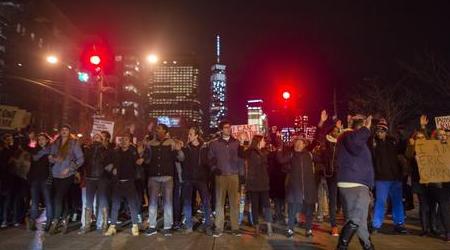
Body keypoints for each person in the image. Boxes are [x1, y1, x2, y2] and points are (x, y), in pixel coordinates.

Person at [336, 115, 374, 250]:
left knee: (360, 221)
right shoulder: (349, 136)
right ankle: (342, 246)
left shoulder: (349, 138)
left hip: (355, 182)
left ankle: (368, 246)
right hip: (355, 183)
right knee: (356, 218)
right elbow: (355, 144)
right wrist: (366, 128)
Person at [144, 124, 184, 237]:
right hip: (153, 177)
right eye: (156, 129)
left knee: (168, 202)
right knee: (152, 202)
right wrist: (143, 151)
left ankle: (167, 226)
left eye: (159, 129)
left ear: (165, 131)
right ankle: (152, 226)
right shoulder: (150, 143)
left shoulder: (171, 142)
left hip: (167, 177)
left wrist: (179, 150)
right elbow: (146, 161)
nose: (157, 131)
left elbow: (180, 158)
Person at [208, 121, 245, 237]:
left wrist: (242, 175)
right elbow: (210, 158)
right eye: (226, 127)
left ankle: (235, 228)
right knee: (219, 203)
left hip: (234, 175)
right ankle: (219, 228)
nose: (228, 129)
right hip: (221, 176)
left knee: (234, 203)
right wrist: (214, 169)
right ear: (221, 129)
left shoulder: (237, 143)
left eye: (230, 127)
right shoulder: (214, 144)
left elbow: (241, 160)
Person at [371, 119, 408, 234]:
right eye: (378, 131)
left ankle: (399, 224)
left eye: (382, 131)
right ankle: (376, 225)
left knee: (397, 202)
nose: (380, 133)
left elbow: (402, 150)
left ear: (386, 131)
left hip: (395, 178)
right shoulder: (373, 143)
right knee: (380, 202)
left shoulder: (393, 142)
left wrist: (402, 137)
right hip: (381, 178)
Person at [48, 124, 84, 235]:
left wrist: (70, 168)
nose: (64, 131)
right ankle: (65, 217)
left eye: (66, 130)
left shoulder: (74, 143)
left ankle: (55, 220)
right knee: (61, 198)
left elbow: (81, 159)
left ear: (69, 132)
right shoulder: (55, 143)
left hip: (67, 175)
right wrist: (52, 158)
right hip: (56, 174)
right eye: (62, 129)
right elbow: (51, 158)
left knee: (58, 197)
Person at [104, 134, 143, 237]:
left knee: (132, 205)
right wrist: (112, 169)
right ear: (119, 142)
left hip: (129, 182)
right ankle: (112, 227)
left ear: (129, 142)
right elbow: (107, 165)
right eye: (122, 140)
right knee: (115, 205)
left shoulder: (133, 152)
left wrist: (139, 161)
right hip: (118, 183)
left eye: (126, 140)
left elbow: (138, 165)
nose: (124, 141)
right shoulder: (115, 152)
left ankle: (135, 226)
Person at [278, 138, 317, 238]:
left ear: (304, 145)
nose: (298, 145)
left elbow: (322, 159)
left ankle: (308, 230)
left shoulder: (309, 154)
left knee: (309, 211)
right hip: (295, 188)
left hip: (308, 189)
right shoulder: (291, 154)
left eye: (300, 143)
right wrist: (279, 149)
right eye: (296, 143)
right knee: (292, 210)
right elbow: (281, 160)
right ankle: (290, 229)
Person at [180, 127, 213, 235]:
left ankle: (208, 225)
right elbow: (180, 160)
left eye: (190, 134)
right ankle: (189, 225)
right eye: (188, 134)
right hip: (188, 178)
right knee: (187, 203)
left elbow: (209, 162)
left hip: (202, 178)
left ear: (196, 135)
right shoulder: (185, 148)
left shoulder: (204, 148)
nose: (188, 136)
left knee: (206, 202)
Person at [316, 110, 343, 237]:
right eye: (335, 131)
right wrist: (322, 121)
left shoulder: (341, 143)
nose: (337, 133)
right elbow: (318, 134)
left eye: (338, 131)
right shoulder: (325, 141)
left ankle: (339, 225)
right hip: (325, 174)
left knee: (338, 200)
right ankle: (331, 224)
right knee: (326, 199)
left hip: (338, 174)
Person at [79, 133, 111, 234]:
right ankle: (87, 225)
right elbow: (83, 162)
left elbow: (108, 162)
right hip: (90, 178)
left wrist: (100, 148)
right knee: (88, 202)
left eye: (98, 137)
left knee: (103, 201)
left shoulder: (105, 150)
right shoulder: (88, 149)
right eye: (95, 137)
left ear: (102, 139)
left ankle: (104, 224)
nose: (96, 138)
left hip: (102, 178)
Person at [245, 135, 273, 237]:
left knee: (265, 206)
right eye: (263, 141)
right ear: (258, 142)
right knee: (258, 206)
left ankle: (267, 227)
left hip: (263, 184)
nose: (265, 142)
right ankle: (258, 228)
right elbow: (257, 164)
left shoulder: (262, 152)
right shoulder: (253, 153)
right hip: (255, 184)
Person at [27, 133, 53, 231]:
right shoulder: (34, 151)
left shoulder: (51, 150)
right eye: (39, 139)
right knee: (34, 201)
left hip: (45, 178)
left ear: (47, 140)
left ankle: (49, 221)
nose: (41, 141)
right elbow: (32, 165)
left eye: (43, 139)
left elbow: (53, 164)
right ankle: (33, 221)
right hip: (35, 179)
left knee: (47, 201)